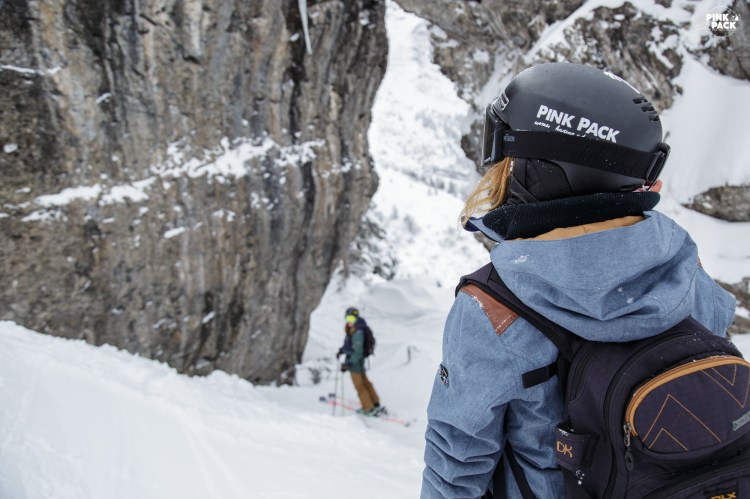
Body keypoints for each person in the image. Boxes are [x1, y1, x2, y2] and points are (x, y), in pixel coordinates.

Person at [421, 63, 736, 498]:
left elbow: (455, 466)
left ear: (540, 168)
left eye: (503, 151)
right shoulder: (685, 270)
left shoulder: (493, 309)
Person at [338, 307, 382, 416]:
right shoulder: (356, 328)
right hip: (359, 362)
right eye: (348, 318)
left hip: (355, 364)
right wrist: (342, 350)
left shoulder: (358, 333)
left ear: (356, 318)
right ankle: (375, 403)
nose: (349, 321)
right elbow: (351, 345)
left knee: (360, 386)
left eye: (352, 319)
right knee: (366, 383)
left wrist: (349, 364)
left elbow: (358, 352)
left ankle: (368, 408)